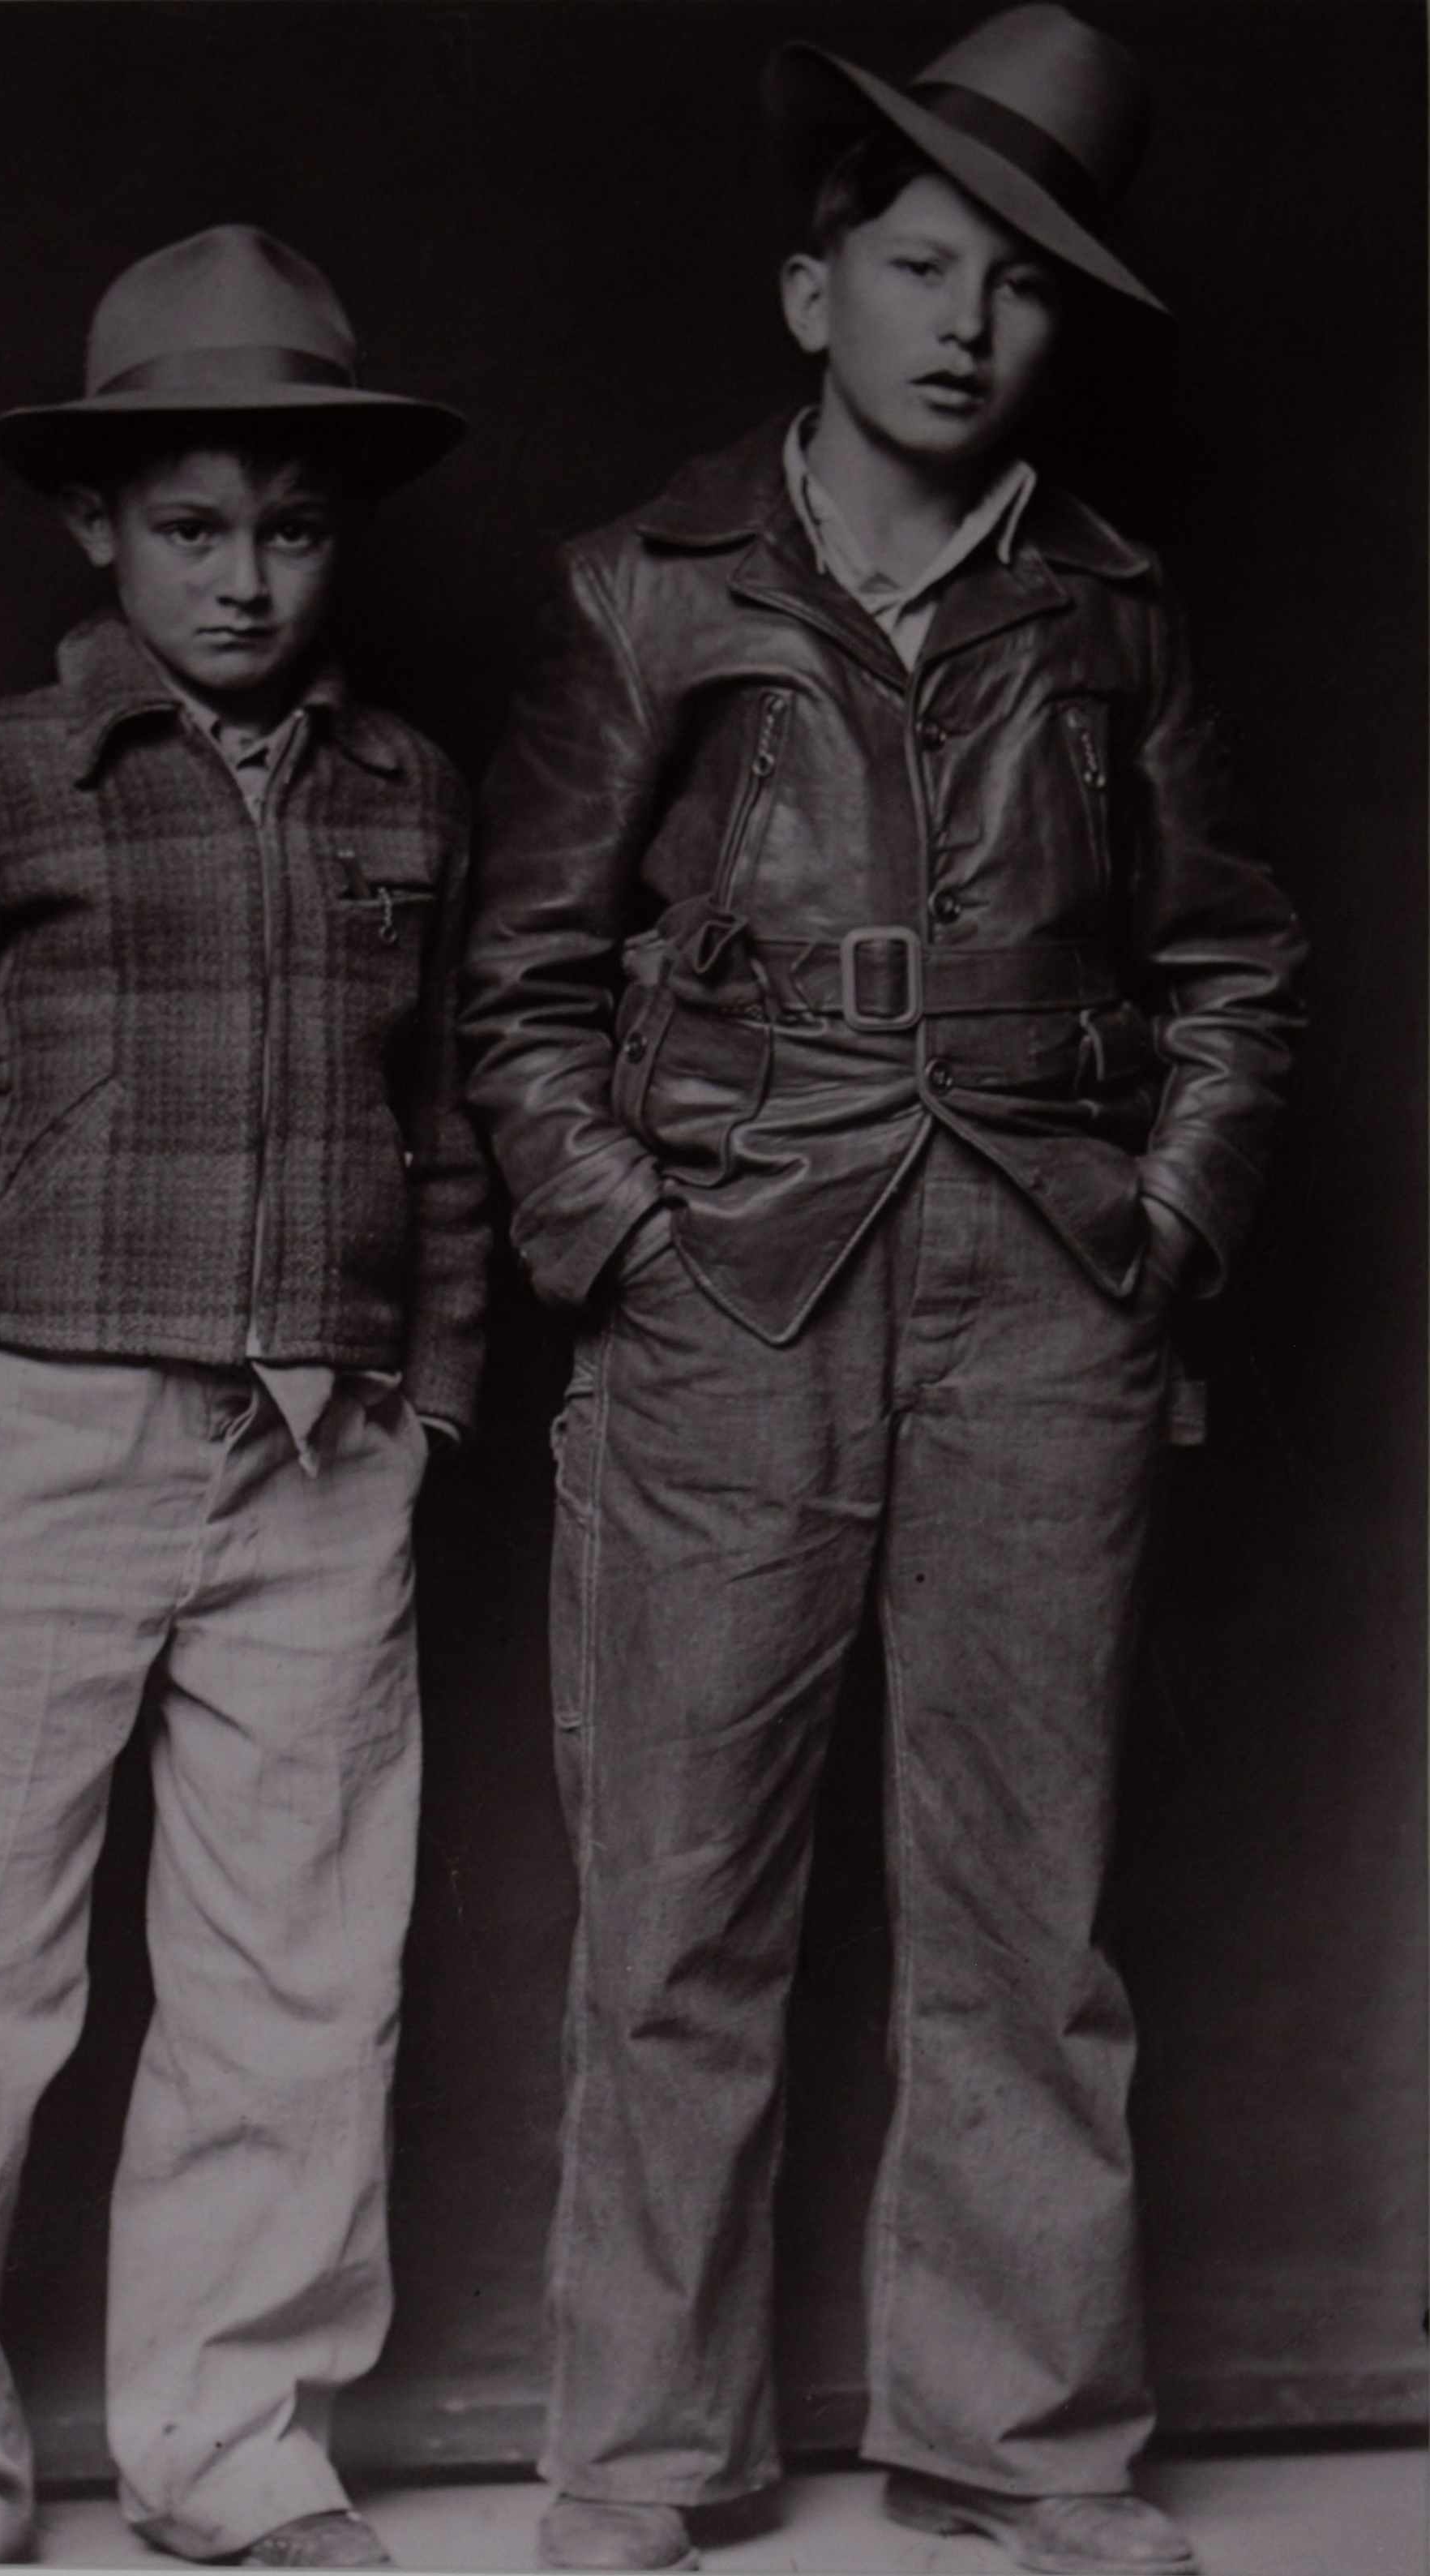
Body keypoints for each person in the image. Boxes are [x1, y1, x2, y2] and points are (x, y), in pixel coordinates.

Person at [460, 11, 1303, 2573]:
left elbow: (1237, 969)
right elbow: (520, 984)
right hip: (732, 1295)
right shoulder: (646, 587)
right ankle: (639, 2458)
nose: (969, 323)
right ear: (810, 289)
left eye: (1023, 287)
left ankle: (1025, 2446)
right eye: (923, 266)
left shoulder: (1117, 609)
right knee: (677, 1914)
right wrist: (629, 1244)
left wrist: (1157, 1230)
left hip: (1042, 1300)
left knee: (1027, 1921)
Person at [0, 225, 487, 2571]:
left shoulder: (408, 791)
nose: (244, 577)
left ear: (343, 537)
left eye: (292, 528)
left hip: (318, 1454)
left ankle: (232, 2442)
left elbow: (445, 1127)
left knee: (300, 1971)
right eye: (192, 526)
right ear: (96, 526)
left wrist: (429, 1391)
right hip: (42, 1441)